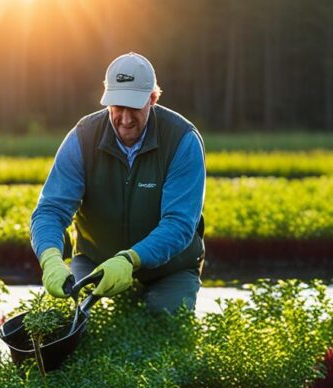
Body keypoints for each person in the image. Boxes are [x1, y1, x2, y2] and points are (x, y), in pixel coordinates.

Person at [30, 52, 205, 313]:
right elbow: (50, 211)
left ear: (152, 99)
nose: (125, 119)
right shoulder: (83, 137)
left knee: (167, 324)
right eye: (117, 107)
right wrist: (51, 258)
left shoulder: (182, 140)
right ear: (107, 101)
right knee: (72, 319)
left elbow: (179, 224)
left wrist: (130, 259)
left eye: (134, 107)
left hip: (169, 269)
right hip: (95, 262)